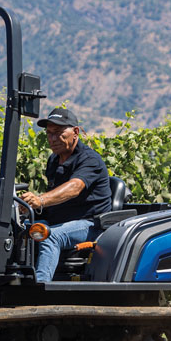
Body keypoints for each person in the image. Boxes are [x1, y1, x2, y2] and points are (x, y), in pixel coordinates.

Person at [19, 107, 112, 283]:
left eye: (59, 132)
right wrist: (27, 207)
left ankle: (39, 289)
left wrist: (40, 200)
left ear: (75, 132)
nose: (53, 139)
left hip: (91, 224)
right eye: (49, 133)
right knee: (20, 230)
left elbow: (74, 187)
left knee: (50, 236)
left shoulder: (89, 159)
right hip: (60, 220)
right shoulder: (54, 160)